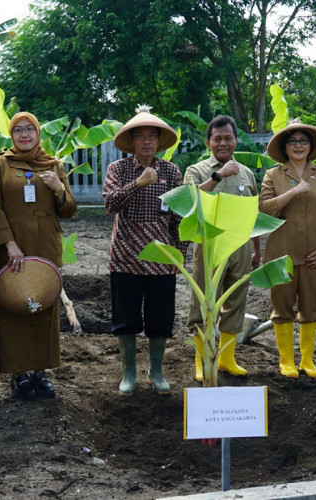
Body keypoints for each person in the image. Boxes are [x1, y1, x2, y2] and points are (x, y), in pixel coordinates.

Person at [0, 112, 76, 400]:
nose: (24, 135)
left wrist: (59, 188)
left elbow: (69, 210)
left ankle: (40, 371)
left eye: (29, 130)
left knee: (43, 305)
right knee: (14, 303)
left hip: (46, 246)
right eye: (18, 130)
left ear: (38, 134)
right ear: (11, 136)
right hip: (14, 248)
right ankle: (18, 372)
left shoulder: (53, 165)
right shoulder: (0, 164)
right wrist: (8, 243)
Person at [103, 106, 186, 395]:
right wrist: (138, 183)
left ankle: (156, 371)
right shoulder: (119, 169)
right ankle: (129, 374)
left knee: (160, 317)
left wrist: (180, 253)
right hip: (126, 255)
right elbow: (110, 204)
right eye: (141, 137)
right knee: (126, 318)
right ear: (132, 142)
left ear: (159, 142)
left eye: (152, 136)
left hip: (162, 258)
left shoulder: (171, 171)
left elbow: (179, 216)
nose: (147, 141)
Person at [183, 115, 260, 381]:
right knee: (203, 301)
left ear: (236, 140)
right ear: (209, 142)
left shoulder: (247, 173)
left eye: (228, 138)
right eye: (217, 139)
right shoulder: (197, 170)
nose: (223, 143)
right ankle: (201, 359)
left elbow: (253, 213)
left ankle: (227, 358)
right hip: (210, 246)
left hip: (241, 244)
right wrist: (218, 175)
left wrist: (257, 249)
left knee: (236, 301)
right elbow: (190, 202)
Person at [259, 122, 316, 379]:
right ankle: (286, 361)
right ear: (285, 147)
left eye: (303, 140)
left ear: (311, 146)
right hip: (282, 253)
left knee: (311, 306)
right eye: (292, 141)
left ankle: (307, 360)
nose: (298, 145)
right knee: (282, 307)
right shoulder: (274, 175)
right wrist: (293, 191)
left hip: (314, 254)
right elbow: (265, 209)